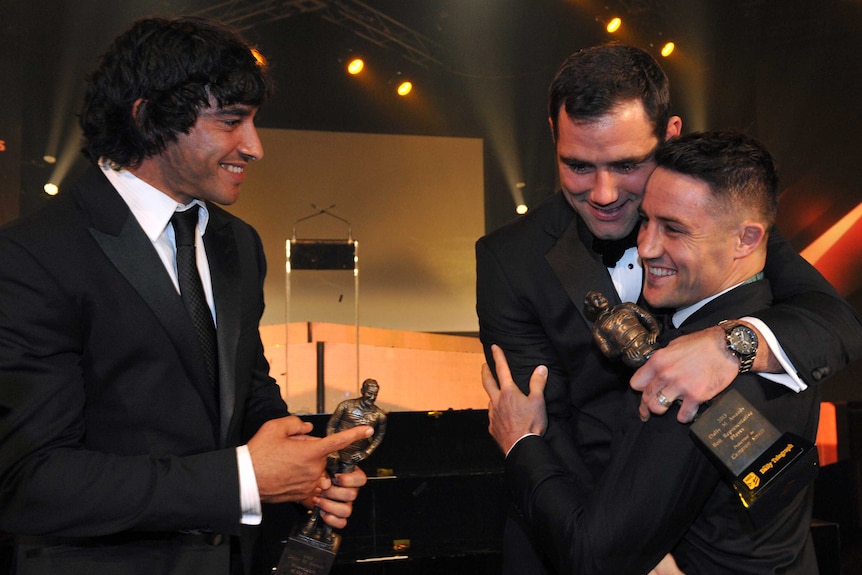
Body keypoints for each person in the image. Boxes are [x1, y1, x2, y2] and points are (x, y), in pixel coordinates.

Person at [0, 17, 374, 575]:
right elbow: (34, 481)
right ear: (149, 118)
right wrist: (246, 478)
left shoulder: (238, 244)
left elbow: (245, 389)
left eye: (253, 122)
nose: (255, 147)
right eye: (231, 122)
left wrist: (305, 468)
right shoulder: (33, 256)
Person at [475, 43, 862, 573]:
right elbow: (542, 422)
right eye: (579, 166)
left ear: (670, 136)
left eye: (628, 165)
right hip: (582, 539)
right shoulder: (508, 259)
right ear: (554, 139)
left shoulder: (721, 213)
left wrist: (730, 345)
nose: (604, 193)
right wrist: (639, 549)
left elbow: (833, 320)